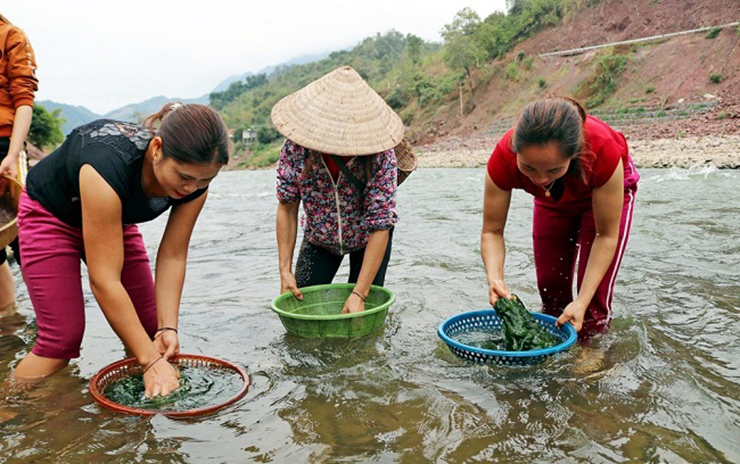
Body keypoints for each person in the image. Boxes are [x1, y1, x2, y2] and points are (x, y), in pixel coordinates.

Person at [13, 103, 229, 397]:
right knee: (61, 341)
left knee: (151, 331)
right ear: (156, 149)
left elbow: (174, 254)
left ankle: (136, 427)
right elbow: (104, 280)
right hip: (51, 216)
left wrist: (169, 328)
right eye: (184, 177)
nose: (192, 188)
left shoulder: (196, 183)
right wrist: (150, 361)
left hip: (115, 220)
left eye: (204, 181)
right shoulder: (106, 163)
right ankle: (10, 411)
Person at [481, 97, 639, 339]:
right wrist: (495, 278)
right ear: (516, 152)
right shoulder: (504, 156)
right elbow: (492, 231)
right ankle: (557, 348)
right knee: (551, 288)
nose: (541, 179)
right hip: (552, 199)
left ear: (574, 154)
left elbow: (606, 236)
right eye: (529, 168)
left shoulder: (601, 148)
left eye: (553, 170)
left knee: (592, 303)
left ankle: (594, 351)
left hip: (603, 191)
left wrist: (582, 300)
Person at [273, 66, 414, 314]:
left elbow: (381, 224)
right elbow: (287, 206)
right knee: (301, 309)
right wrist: (285, 270)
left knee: (363, 315)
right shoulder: (297, 148)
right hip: (319, 238)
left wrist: (359, 293)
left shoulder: (380, 154)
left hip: (369, 239)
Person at [0, 14, 38, 309]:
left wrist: (12, 155)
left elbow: (24, 99)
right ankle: (10, 327)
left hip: (5, 146)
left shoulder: (11, 35)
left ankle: (54, 324)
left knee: (21, 234)